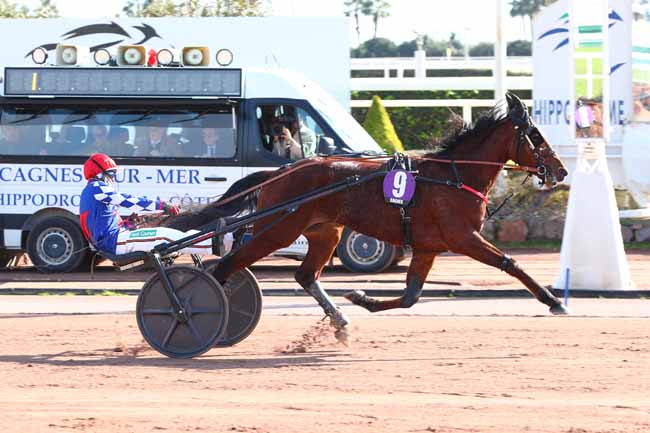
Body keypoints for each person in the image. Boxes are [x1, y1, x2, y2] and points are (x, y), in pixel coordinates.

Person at [79, 153, 212, 256]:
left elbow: (103, 224)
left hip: (114, 239)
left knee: (168, 234)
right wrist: (162, 205)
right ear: (100, 174)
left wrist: (131, 223)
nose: (113, 178)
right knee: (164, 236)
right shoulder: (96, 187)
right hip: (113, 242)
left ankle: (210, 239)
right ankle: (213, 244)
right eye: (111, 174)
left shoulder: (93, 190)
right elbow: (129, 201)